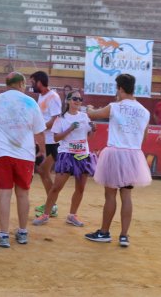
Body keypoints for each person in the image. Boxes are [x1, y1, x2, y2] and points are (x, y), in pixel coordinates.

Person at [0, 72, 46, 248]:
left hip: (3, 154)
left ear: (7, 84)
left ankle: (4, 234)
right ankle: (22, 232)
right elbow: (39, 132)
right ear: (22, 84)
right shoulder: (31, 102)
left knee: (4, 194)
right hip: (25, 155)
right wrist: (42, 150)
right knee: (23, 194)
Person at [84, 73, 152, 247]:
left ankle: (105, 232)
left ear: (120, 88)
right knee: (127, 195)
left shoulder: (114, 107)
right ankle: (124, 235)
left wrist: (89, 108)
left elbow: (93, 114)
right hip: (133, 154)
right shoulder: (144, 112)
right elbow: (143, 138)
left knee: (110, 195)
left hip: (115, 154)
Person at [33, 90, 97, 227]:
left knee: (80, 188)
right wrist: (70, 129)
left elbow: (89, 136)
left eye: (80, 99)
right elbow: (56, 138)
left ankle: (72, 215)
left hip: (82, 154)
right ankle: (46, 214)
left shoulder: (85, 117)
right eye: (75, 99)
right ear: (68, 101)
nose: (78, 102)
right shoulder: (61, 119)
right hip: (67, 154)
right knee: (56, 187)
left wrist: (93, 129)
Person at [29, 71, 62, 218]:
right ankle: (51, 204)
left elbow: (55, 120)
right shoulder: (42, 96)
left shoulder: (53, 97)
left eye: (32, 82)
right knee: (43, 171)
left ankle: (52, 205)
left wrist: (39, 128)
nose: (31, 85)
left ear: (39, 82)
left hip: (52, 142)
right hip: (44, 140)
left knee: (43, 171)